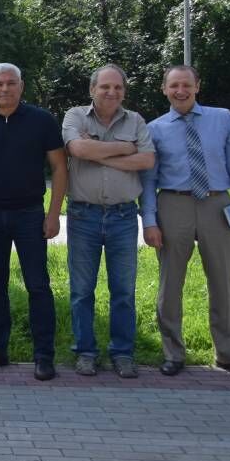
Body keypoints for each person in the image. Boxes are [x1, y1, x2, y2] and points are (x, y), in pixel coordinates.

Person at [141, 65, 230, 376]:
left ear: (197, 86)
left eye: (186, 85)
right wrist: (149, 220)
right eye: (174, 85)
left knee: (223, 281)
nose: (180, 91)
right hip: (173, 203)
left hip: (217, 203)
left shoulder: (222, 118)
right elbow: (148, 180)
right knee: (170, 283)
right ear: (164, 89)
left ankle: (227, 353)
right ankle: (173, 353)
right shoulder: (155, 128)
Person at [0, 63, 67, 381]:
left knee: (38, 285)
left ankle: (43, 356)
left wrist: (53, 213)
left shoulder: (42, 121)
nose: (4, 89)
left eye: (11, 83)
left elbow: (60, 168)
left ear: (22, 86)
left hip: (30, 214)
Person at [62, 65, 154, 378]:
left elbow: (147, 160)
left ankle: (122, 353)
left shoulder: (136, 120)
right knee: (82, 291)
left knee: (124, 291)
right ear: (92, 90)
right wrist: (124, 148)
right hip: (82, 215)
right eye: (105, 87)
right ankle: (85, 352)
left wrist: (96, 153)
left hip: (124, 217)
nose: (111, 92)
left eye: (117, 88)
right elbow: (77, 148)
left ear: (124, 92)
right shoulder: (75, 116)